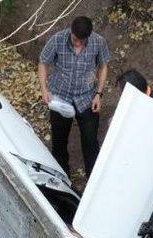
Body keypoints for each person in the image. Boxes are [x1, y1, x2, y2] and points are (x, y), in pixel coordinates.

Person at [38, 16, 111, 178]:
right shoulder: (57, 39)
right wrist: (44, 89)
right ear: (71, 31)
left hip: (86, 98)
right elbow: (43, 62)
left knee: (91, 142)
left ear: (89, 37)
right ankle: (63, 179)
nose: (77, 43)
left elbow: (103, 66)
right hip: (60, 98)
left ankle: (94, 180)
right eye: (75, 39)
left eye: (82, 41)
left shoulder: (98, 42)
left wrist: (99, 94)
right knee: (59, 142)